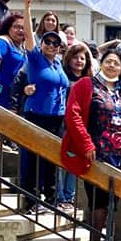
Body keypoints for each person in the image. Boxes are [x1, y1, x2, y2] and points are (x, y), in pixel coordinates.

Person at [61, 48, 121, 241]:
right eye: (108, 61)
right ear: (101, 63)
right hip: (95, 155)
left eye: (116, 63)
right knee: (98, 200)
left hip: (117, 157)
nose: (112, 65)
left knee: (111, 202)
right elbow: (73, 114)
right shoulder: (86, 85)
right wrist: (86, 144)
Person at [19, 26, 70, 211]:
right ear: (41, 44)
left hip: (56, 118)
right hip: (36, 114)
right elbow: (28, 35)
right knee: (33, 158)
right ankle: (32, 200)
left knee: (52, 159)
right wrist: (26, 11)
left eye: (56, 43)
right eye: (47, 42)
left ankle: (51, 199)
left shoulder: (58, 63)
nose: (51, 45)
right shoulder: (35, 59)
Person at [0, 12, 32, 156]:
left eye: (23, 28)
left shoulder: (22, 48)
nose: (20, 30)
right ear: (8, 27)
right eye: (16, 27)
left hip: (5, 94)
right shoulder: (2, 41)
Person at [55, 42, 94, 212]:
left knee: (75, 160)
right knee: (60, 160)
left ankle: (69, 197)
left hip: (80, 127)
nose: (79, 61)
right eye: (76, 57)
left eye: (82, 58)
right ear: (69, 59)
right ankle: (59, 197)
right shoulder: (63, 77)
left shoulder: (90, 82)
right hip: (62, 124)